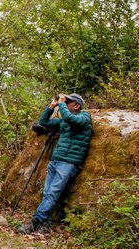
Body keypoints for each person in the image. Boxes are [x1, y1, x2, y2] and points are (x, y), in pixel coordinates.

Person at [19, 93, 92, 235]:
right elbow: (43, 122)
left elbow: (71, 119)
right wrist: (51, 107)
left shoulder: (84, 118)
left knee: (53, 193)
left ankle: (34, 222)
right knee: (48, 193)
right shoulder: (64, 121)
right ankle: (45, 225)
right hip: (56, 160)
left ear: (76, 106)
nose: (64, 103)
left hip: (69, 162)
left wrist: (62, 104)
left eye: (68, 102)